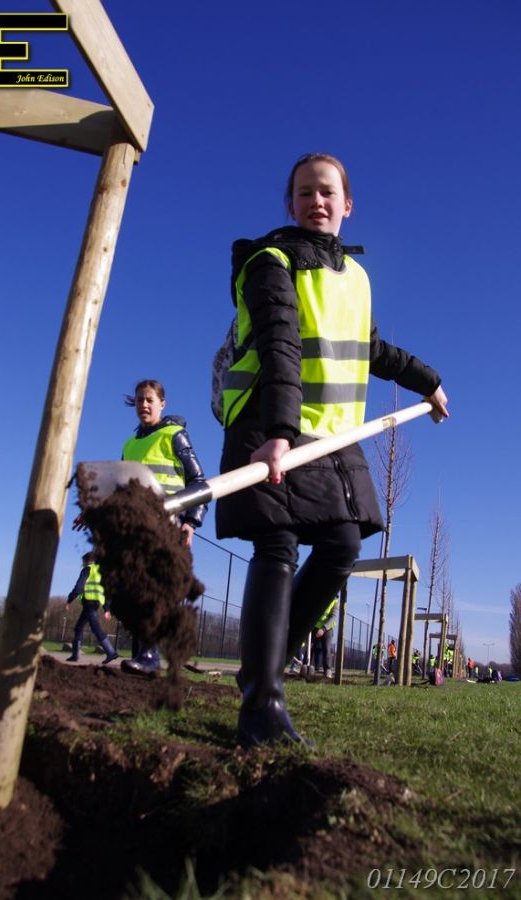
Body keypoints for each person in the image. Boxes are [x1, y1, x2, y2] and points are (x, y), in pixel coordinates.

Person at [215, 153, 448, 748]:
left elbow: (372, 349)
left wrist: (427, 381)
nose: (315, 201)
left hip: (330, 434)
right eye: (303, 193)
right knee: (277, 542)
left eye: (326, 192)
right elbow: (280, 344)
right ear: (289, 204)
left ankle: (261, 666)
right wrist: (279, 432)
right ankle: (262, 704)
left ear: (347, 205)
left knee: (343, 542)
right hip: (269, 421)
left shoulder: (356, 279)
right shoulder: (269, 261)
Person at [120, 379, 208, 675]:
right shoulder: (129, 444)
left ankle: (149, 656)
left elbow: (198, 482)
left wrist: (191, 521)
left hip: (167, 525)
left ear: (162, 404)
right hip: (136, 528)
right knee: (135, 591)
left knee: (154, 588)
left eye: (149, 399)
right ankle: (143, 660)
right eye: (139, 400)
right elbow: (122, 486)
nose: (143, 405)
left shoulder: (175, 436)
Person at [65, 551, 118, 664]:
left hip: (89, 602)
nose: (82, 564)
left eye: (83, 562)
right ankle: (75, 655)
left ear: (87, 561)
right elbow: (106, 591)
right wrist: (107, 609)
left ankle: (111, 652)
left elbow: (79, 587)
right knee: (78, 628)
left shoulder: (87, 570)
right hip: (95, 603)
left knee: (95, 628)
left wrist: (70, 599)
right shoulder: (100, 572)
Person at [312, 595, 338, 678]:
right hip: (314, 627)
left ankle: (327, 669)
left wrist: (323, 629)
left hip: (327, 628)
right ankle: (306, 666)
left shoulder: (335, 601)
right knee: (310, 647)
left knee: (326, 648)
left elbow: (333, 617)